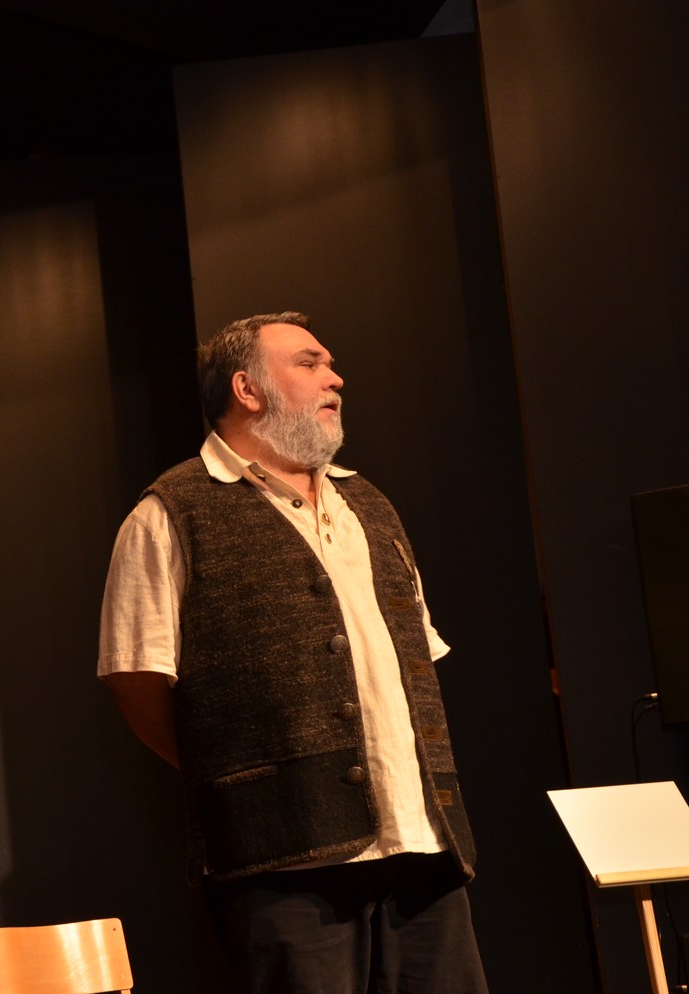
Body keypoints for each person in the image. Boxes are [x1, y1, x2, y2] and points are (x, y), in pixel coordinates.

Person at [97, 312, 487, 993]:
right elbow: (136, 678)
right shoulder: (171, 512)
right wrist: (241, 777)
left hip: (422, 841)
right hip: (283, 860)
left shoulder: (369, 505)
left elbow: (413, 661)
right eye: (308, 363)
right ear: (247, 389)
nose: (335, 378)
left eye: (329, 364)